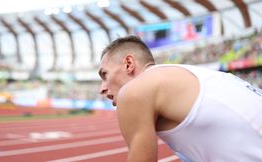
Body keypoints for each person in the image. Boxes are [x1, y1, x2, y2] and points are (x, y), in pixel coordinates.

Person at [98, 35, 262, 162]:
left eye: (105, 75)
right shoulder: (188, 75)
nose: (102, 89)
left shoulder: (135, 90)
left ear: (129, 64)